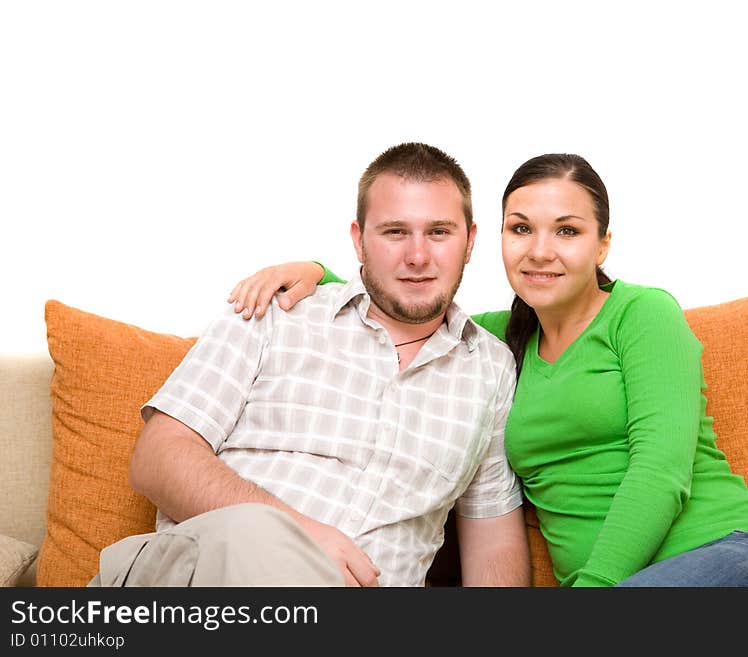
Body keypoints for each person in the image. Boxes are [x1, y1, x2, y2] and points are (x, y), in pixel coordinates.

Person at [229, 153, 748, 587]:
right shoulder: (493, 339)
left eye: (567, 231)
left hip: (742, 557)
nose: (540, 250)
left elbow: (661, 470)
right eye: (522, 229)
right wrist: (314, 270)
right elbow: (406, 299)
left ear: (603, 245)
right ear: (497, 240)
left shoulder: (643, 313)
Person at [89, 142, 531, 588]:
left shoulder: (489, 370)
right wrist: (296, 536)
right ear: (359, 240)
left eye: (438, 232)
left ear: (470, 242)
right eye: (395, 232)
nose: (417, 256)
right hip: (204, 579)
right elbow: (158, 456)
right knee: (254, 532)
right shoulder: (276, 311)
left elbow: (494, 541)